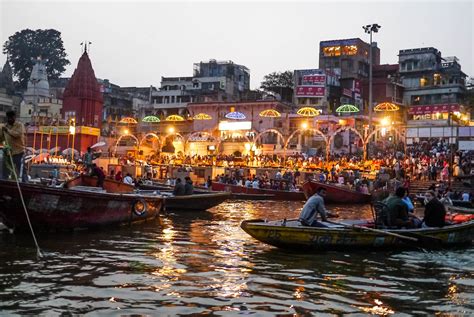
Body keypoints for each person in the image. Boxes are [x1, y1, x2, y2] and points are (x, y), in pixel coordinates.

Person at [0, 110, 27, 182]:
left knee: (21, 170)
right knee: (4, 170)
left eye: (11, 118)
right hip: (8, 152)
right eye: (8, 118)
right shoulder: (5, 126)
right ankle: (3, 183)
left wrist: (7, 130)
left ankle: (25, 183)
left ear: (14, 117)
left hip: (19, 152)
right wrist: (2, 132)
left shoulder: (19, 125)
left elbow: (17, 134)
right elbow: (1, 138)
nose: (9, 120)